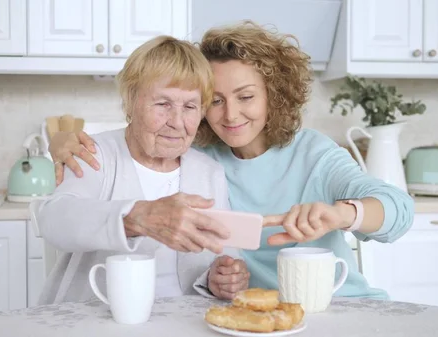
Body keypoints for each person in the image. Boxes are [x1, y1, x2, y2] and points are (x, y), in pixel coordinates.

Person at [48, 21, 414, 300]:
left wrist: (342, 214)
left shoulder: (312, 154)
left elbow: (398, 211)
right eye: (215, 101)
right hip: (254, 313)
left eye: (246, 96)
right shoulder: (202, 158)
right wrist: (63, 140)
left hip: (334, 305)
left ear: (275, 96)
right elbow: (144, 131)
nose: (230, 115)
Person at [33, 35, 251, 305]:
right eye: (163, 104)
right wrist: (137, 217)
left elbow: (225, 255)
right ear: (131, 101)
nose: (177, 122)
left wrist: (219, 278)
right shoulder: (95, 153)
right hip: (95, 319)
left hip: (182, 323)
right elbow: (55, 220)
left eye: (190, 107)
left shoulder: (209, 172)